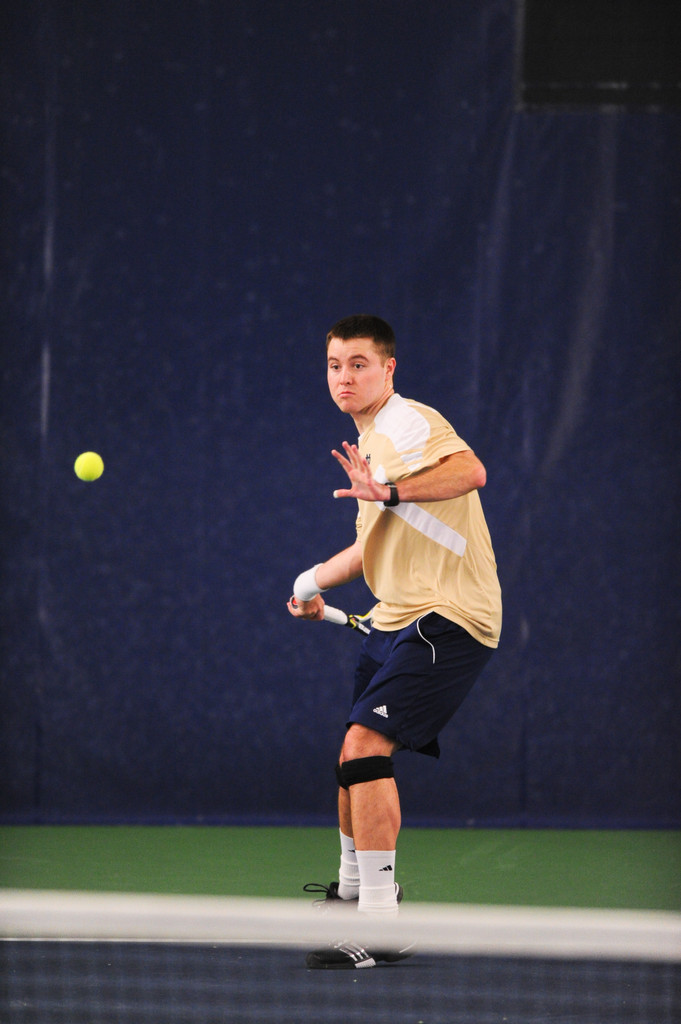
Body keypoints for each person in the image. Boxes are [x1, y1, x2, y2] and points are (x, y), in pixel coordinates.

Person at [288, 314, 501, 969]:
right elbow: (367, 546)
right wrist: (309, 580)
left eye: (358, 364)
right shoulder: (370, 443)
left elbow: (470, 471)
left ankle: (383, 925)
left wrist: (393, 490)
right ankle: (351, 897)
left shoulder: (404, 424)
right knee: (351, 760)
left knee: (364, 745)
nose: (344, 377)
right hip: (394, 616)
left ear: (387, 369)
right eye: (333, 365)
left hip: (450, 614)